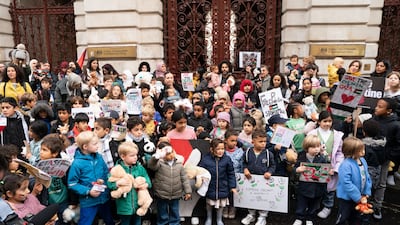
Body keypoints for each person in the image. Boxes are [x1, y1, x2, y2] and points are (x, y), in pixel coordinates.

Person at [67, 131, 114, 225]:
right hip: (88, 201)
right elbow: (72, 183)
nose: (98, 145)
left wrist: (104, 181)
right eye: (95, 144)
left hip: (104, 197)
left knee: (109, 220)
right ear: (85, 147)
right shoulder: (77, 163)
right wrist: (88, 191)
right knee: (85, 222)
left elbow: (106, 173)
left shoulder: (99, 157)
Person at [307, 111, 344, 219]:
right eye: (325, 121)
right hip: (316, 166)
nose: (327, 124)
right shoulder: (312, 134)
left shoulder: (336, 135)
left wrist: (336, 167)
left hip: (330, 167)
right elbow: (307, 149)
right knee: (316, 186)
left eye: (330, 121)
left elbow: (340, 153)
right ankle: (315, 205)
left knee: (330, 189)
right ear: (319, 122)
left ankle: (328, 206)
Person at [107, 142, 152, 225]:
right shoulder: (116, 169)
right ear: (123, 156)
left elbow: (148, 181)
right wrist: (117, 183)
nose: (135, 157)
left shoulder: (140, 168)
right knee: (125, 222)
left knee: (137, 222)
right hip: (124, 204)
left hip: (138, 203)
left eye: (136, 155)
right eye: (132, 155)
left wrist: (145, 184)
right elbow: (110, 183)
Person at [148, 142, 192, 225]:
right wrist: (156, 157)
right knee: (162, 211)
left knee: (174, 211)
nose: (171, 155)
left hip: (176, 193)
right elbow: (151, 165)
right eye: (167, 154)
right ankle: (162, 223)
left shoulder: (179, 164)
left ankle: (174, 223)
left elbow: (184, 179)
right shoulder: (159, 163)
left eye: (172, 152)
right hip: (162, 194)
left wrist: (188, 191)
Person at [371, 98, 400, 219]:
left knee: (381, 184)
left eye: (380, 106)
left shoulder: (396, 125)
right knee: (368, 180)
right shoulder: (373, 119)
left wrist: (387, 156)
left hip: (383, 160)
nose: (376, 108)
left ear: (389, 111)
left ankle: (377, 206)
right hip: (370, 157)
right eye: (377, 105)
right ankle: (365, 203)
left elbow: (398, 145)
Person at [292, 135, 331, 225]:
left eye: (318, 146)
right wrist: (297, 170)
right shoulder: (301, 156)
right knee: (301, 203)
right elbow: (294, 168)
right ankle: (299, 217)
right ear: (306, 147)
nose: (316, 149)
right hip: (304, 186)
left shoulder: (322, 158)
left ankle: (310, 217)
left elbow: (326, 169)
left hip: (318, 187)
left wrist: (329, 172)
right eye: (313, 147)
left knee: (314, 204)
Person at [241, 131, 276, 225]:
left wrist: (269, 172)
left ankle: (262, 216)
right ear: (253, 142)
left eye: (265, 141)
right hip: (250, 180)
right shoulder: (247, 152)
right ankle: (251, 215)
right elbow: (244, 163)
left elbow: (273, 165)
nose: (263, 144)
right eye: (260, 141)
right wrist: (245, 169)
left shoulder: (269, 154)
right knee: (250, 197)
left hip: (264, 181)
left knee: (263, 198)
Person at [199, 139, 236, 225]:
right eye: (218, 149)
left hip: (222, 186)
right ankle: (209, 218)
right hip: (210, 186)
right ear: (212, 149)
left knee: (221, 205)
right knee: (209, 204)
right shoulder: (205, 159)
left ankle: (219, 219)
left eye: (222, 149)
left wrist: (232, 186)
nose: (221, 151)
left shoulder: (227, 159)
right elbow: (200, 171)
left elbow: (231, 173)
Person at [336, 137, 372, 225]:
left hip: (360, 196)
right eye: (360, 150)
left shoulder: (363, 160)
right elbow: (346, 183)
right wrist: (357, 197)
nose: (363, 152)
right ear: (351, 151)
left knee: (356, 218)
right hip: (346, 198)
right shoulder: (346, 165)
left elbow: (367, 176)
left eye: (363, 149)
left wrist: (366, 191)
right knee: (343, 217)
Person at [223, 130, 243, 218]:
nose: (234, 143)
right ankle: (225, 207)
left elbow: (242, 164)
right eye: (232, 141)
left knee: (233, 193)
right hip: (224, 176)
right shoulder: (222, 151)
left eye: (236, 141)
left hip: (236, 175)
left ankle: (232, 207)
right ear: (225, 140)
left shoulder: (240, 152)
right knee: (225, 192)